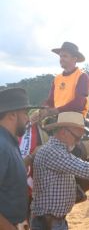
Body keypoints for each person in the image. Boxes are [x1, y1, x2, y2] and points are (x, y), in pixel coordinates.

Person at [0, 88, 42, 230]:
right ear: (12, 114)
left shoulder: (9, 141)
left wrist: (30, 158)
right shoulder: (2, 145)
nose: (27, 119)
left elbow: (10, 172)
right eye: (25, 113)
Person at [42, 42, 89, 118]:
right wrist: (44, 108)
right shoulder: (57, 78)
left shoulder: (82, 77)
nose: (61, 59)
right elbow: (51, 101)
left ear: (74, 59)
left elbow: (79, 103)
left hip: (75, 116)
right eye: (60, 56)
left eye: (65, 56)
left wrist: (56, 110)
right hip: (57, 116)